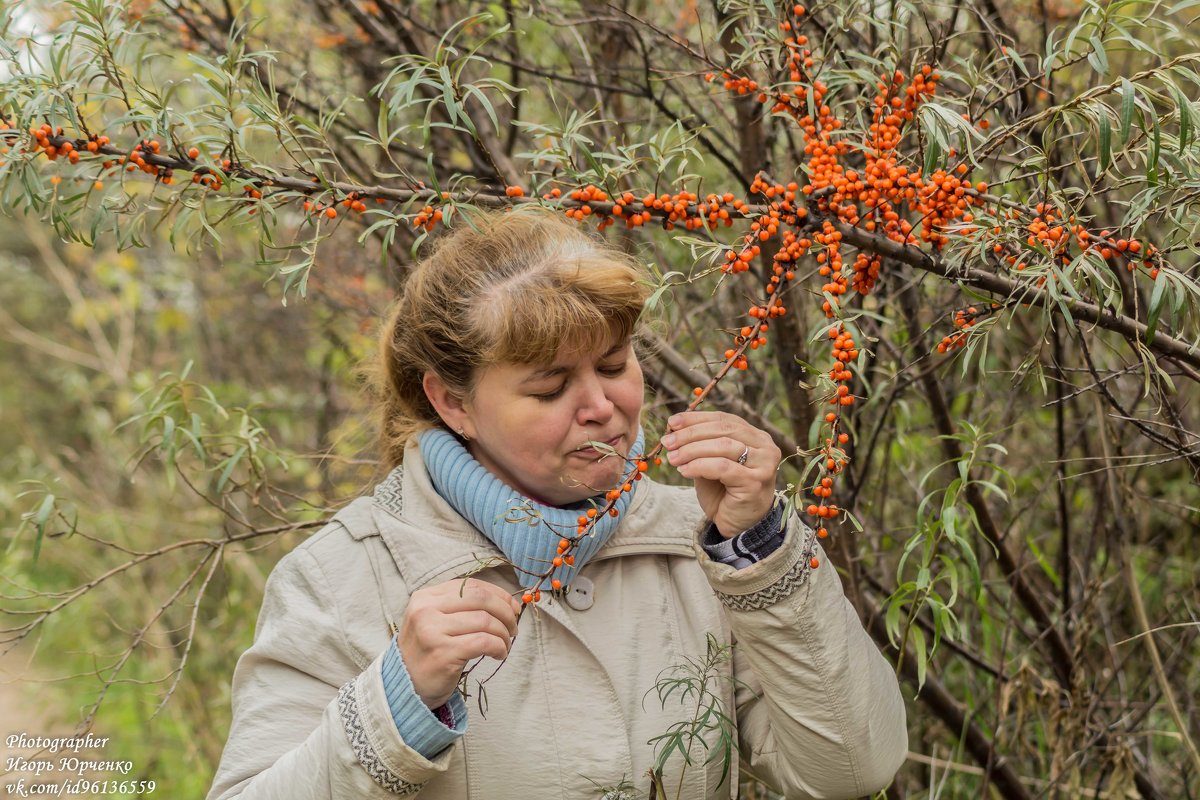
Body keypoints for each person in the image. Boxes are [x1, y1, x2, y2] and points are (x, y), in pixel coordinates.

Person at [206, 206, 907, 800]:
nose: (603, 408)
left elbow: (852, 767)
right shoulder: (342, 576)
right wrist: (396, 702)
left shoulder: (703, 545)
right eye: (549, 389)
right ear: (454, 403)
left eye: (613, 366)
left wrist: (761, 554)